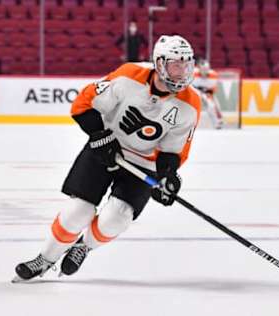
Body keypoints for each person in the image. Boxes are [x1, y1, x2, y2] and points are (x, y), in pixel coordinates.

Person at [13, 35, 201, 282]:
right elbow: (83, 105)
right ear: (159, 63)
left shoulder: (190, 105)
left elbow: (172, 152)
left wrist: (168, 178)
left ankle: (83, 247)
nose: (182, 72)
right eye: (176, 65)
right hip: (105, 147)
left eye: (186, 65)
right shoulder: (128, 76)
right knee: (78, 211)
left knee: (118, 217)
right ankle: (45, 259)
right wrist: (100, 136)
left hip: (143, 163)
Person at [192, 59, 223, 129]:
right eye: (202, 69)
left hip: (208, 93)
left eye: (206, 70)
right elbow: (190, 85)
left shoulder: (214, 75)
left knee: (213, 106)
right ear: (199, 68)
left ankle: (217, 123)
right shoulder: (193, 73)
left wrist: (208, 93)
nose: (204, 72)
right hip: (196, 92)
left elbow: (213, 89)